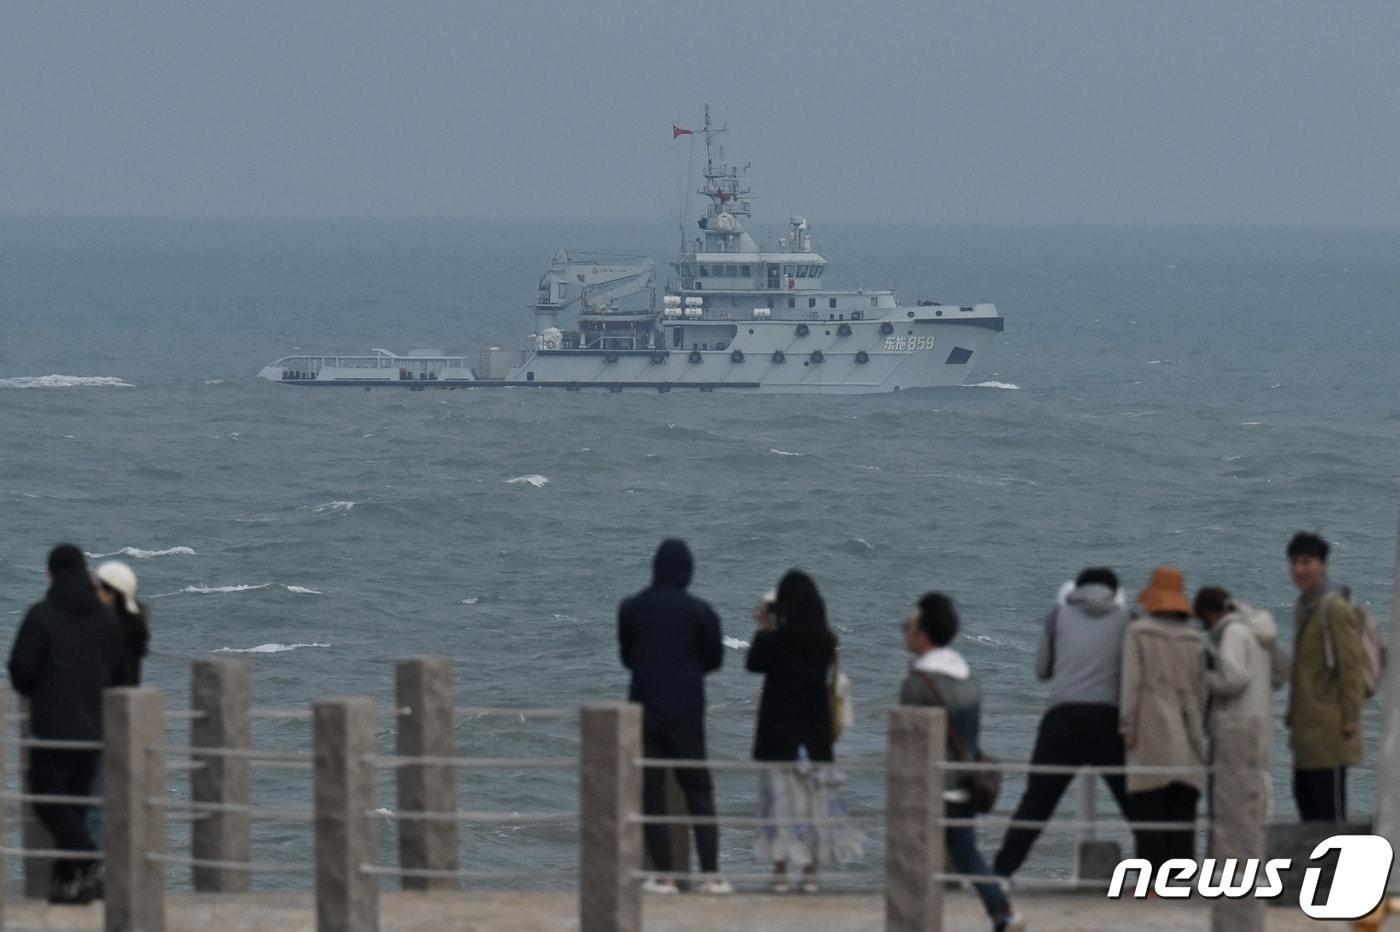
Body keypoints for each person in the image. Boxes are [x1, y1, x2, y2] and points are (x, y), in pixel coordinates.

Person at [8, 544, 131, 904]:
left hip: (53, 732)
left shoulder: (41, 616)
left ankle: (91, 864)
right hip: (95, 733)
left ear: (51, 574)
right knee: (76, 809)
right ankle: (69, 887)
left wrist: (44, 688)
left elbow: (21, 672)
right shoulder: (107, 619)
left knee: (47, 801)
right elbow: (123, 672)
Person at [993, 567, 1133, 878]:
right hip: (1106, 721)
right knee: (1134, 805)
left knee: (1035, 806)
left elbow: (1043, 670)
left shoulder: (1058, 616)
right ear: (1115, 592)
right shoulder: (1126, 620)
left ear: (1076, 588)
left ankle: (999, 875)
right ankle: (1161, 881)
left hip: (1062, 720)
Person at [900, 592, 1023, 932]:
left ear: (923, 634)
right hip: (965, 782)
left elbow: (911, 742)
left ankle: (916, 918)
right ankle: (1002, 911)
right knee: (966, 851)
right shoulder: (966, 677)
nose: (904, 632)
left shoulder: (919, 685)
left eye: (907, 626)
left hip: (931, 785)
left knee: (914, 854)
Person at [617, 539, 730, 894]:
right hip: (687, 715)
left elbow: (628, 657)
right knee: (699, 792)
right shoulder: (701, 612)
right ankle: (711, 876)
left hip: (646, 712)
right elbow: (715, 659)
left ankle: (664, 877)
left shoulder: (631, 608)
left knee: (652, 795)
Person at [746, 572, 862, 893]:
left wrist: (767, 626)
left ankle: (781, 873)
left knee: (777, 806)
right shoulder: (826, 642)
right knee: (813, 806)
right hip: (814, 739)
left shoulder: (773, 640)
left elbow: (753, 663)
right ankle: (811, 874)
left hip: (777, 737)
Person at [1120, 566, 1208, 868]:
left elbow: (1130, 682)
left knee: (1149, 808)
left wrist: (1126, 724)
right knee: (1182, 812)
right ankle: (1179, 881)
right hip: (1188, 732)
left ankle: (1152, 881)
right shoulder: (1193, 639)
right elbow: (1201, 693)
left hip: (1151, 727)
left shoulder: (1138, 632)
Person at [1284, 531, 1365, 822]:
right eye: (1294, 562)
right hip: (1307, 733)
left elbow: (1351, 666)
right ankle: (1317, 868)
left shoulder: (1335, 608)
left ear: (1323, 565)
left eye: (1307, 562)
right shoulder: (1304, 606)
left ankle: (1334, 868)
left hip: (1331, 732)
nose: (1299, 569)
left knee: (1328, 814)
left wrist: (1351, 717)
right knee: (1306, 802)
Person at [88, 560, 152, 845]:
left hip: (102, 721)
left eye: (98, 588)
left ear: (111, 593)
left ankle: (93, 870)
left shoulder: (107, 630)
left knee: (94, 802)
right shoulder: (134, 625)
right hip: (124, 720)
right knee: (111, 799)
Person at [1194, 586, 1287, 764]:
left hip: (1235, 731)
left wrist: (1204, 677)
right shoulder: (1257, 633)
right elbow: (1281, 674)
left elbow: (1233, 679)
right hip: (1260, 726)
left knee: (1230, 789)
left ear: (1209, 614)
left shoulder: (1233, 632)